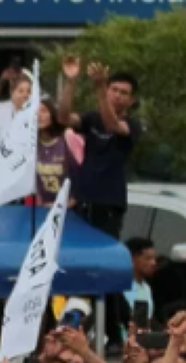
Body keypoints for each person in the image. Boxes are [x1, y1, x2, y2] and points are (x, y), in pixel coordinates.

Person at [55, 56, 138, 238]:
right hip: (82, 200)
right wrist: (70, 81)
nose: (117, 95)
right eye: (113, 89)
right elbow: (63, 118)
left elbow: (112, 125)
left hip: (108, 204)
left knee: (101, 255)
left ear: (132, 100)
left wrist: (100, 87)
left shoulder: (132, 124)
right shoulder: (91, 118)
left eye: (123, 93)